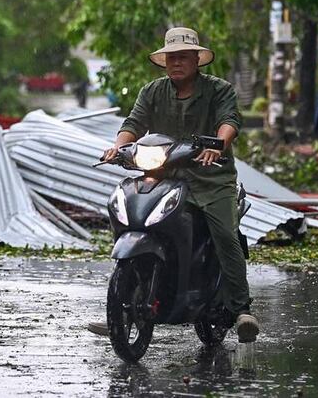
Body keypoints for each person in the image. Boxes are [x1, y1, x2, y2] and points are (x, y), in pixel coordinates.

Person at [90, 26, 259, 343]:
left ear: (197, 59)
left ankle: (241, 309)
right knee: (134, 220)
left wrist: (218, 145)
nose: (176, 63)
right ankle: (124, 307)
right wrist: (118, 146)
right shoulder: (153, 91)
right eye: (171, 57)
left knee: (223, 233)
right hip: (164, 176)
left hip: (211, 178)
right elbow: (133, 124)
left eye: (183, 57)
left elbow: (229, 121)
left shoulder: (218, 90)